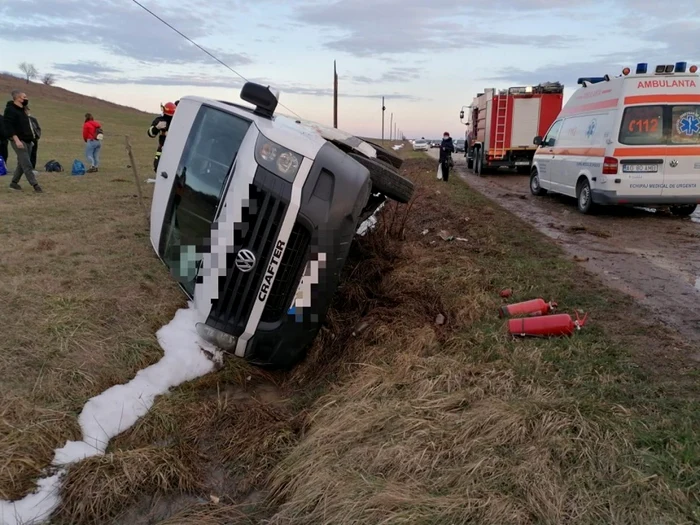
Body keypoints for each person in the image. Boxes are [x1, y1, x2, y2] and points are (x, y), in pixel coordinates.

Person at [3, 90, 42, 192]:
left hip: (28, 141)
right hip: (19, 141)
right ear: (17, 98)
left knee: (21, 164)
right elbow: (9, 127)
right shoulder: (10, 110)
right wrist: (16, 140)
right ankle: (35, 185)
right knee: (27, 164)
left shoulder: (23, 110)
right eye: (24, 97)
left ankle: (13, 183)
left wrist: (32, 139)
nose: (26, 99)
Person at [147, 101, 177, 172]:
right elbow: (150, 133)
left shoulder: (177, 121)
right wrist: (157, 127)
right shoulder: (159, 121)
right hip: (162, 149)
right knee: (157, 167)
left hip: (174, 150)